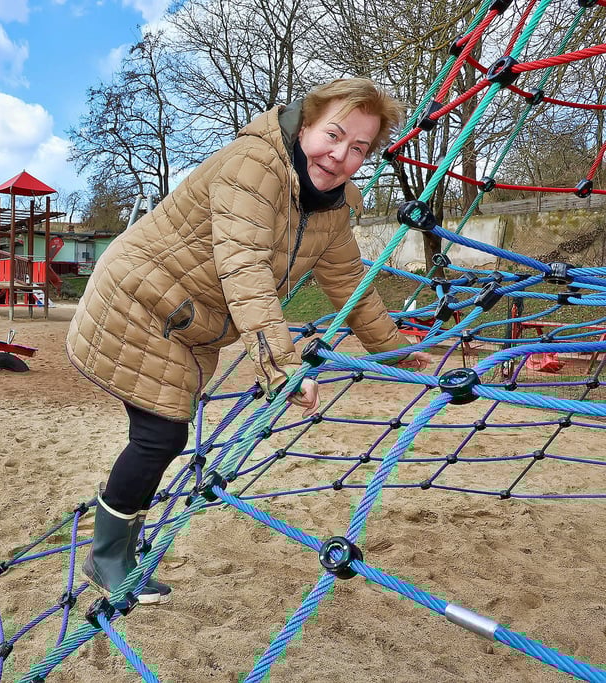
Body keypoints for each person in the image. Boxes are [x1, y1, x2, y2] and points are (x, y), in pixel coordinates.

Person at [65, 78, 433, 605]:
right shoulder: (253, 166)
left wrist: (393, 347)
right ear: (304, 124)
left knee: (160, 434)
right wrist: (279, 366)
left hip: (186, 319)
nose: (340, 155)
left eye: (358, 148)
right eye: (333, 134)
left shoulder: (330, 206)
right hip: (139, 299)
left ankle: (120, 542)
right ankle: (108, 558)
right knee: (160, 434)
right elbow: (245, 268)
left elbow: (349, 281)